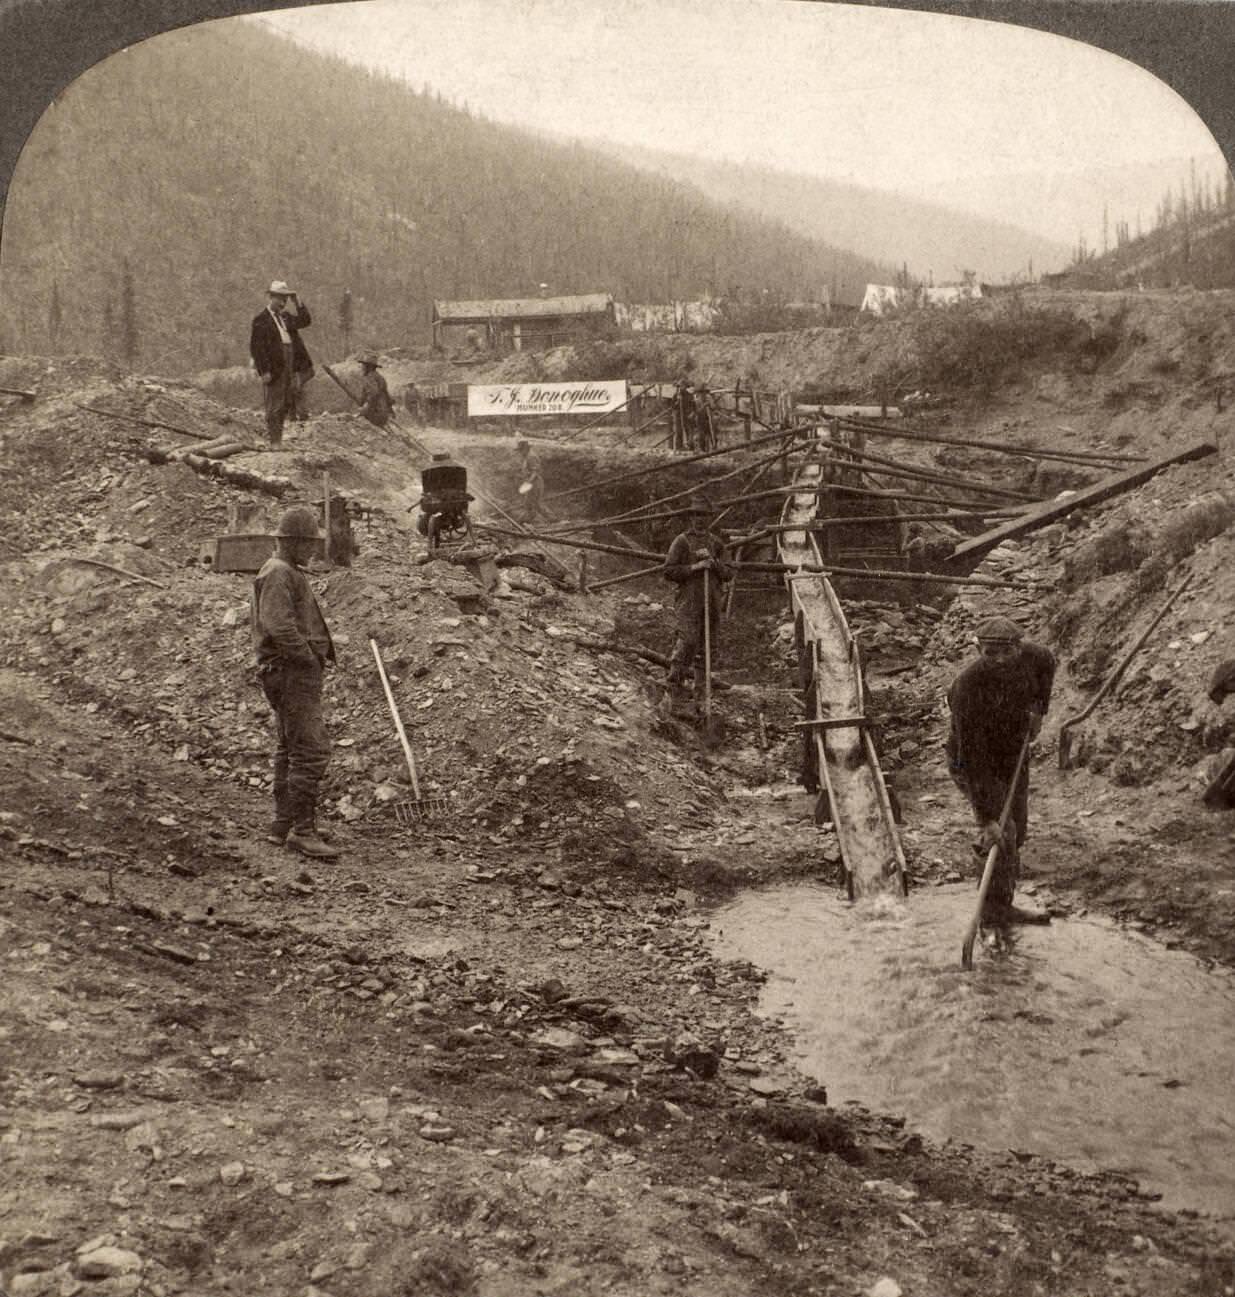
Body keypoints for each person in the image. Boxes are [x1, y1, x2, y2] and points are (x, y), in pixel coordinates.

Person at [945, 615, 1055, 925]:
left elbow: (1048, 664)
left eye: (1007, 651)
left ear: (1019, 647)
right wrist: (985, 816)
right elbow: (972, 758)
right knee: (999, 830)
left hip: (1012, 752)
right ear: (978, 649)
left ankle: (1002, 904)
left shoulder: (1035, 656)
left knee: (1017, 827)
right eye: (990, 653)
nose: (999, 659)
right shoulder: (967, 686)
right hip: (972, 760)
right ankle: (992, 913)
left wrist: (1039, 711)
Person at [251, 506, 339, 859]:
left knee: (290, 747)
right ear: (294, 542)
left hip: (287, 672)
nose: (314, 550)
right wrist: (306, 659)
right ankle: (303, 831)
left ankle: (282, 824)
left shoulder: (284, 571)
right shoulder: (279, 573)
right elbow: (280, 626)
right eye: (309, 543)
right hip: (290, 673)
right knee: (311, 751)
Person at [663, 493, 733, 709]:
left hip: (711, 602)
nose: (700, 519)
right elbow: (669, 570)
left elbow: (729, 573)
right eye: (696, 515)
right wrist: (694, 567)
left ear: (709, 518)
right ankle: (674, 686)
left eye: (704, 515)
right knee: (687, 642)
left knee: (707, 646)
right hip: (689, 602)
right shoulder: (682, 541)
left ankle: (701, 693)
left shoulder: (716, 543)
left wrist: (713, 563)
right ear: (691, 517)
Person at [249, 280, 314, 447]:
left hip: (290, 365)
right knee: (274, 404)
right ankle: (275, 442)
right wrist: (264, 371)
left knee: (286, 402)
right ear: (271, 297)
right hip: (275, 367)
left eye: (286, 299)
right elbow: (257, 348)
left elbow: (306, 321)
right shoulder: (261, 319)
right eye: (280, 298)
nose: (283, 302)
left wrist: (297, 301)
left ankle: (278, 438)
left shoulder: (286, 317)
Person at [355, 352, 394, 428]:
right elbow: (387, 397)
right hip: (384, 415)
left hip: (376, 414)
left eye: (363, 365)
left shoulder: (369, 377)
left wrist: (365, 408)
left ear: (368, 367)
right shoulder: (380, 377)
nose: (362, 367)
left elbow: (374, 393)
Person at [515, 437, 547, 522]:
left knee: (536, 503)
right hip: (532, 483)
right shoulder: (527, 456)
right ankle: (527, 520)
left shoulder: (531, 457)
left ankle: (553, 519)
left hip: (535, 483)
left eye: (521, 450)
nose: (520, 452)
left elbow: (535, 472)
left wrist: (528, 482)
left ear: (525, 448)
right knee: (529, 503)